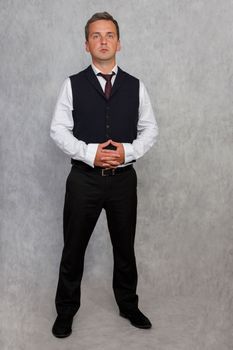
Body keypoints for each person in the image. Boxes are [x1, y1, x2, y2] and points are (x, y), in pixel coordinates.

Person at [50, 11, 158, 338]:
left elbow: (150, 130)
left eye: (109, 35)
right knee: (73, 248)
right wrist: (90, 152)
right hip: (83, 181)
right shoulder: (72, 85)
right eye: (96, 36)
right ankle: (66, 311)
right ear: (86, 45)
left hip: (123, 183)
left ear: (119, 43)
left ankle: (128, 304)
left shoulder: (136, 86)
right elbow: (58, 130)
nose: (103, 41)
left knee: (124, 248)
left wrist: (126, 152)